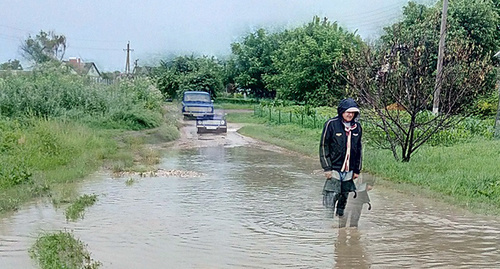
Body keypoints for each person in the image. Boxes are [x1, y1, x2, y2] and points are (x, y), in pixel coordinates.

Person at [319, 98, 362, 217]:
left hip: (349, 169)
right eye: (348, 112)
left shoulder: (357, 127)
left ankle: (340, 220)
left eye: (353, 112)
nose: (350, 115)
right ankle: (327, 222)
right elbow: (324, 146)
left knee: (344, 195)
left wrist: (357, 170)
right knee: (332, 194)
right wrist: (327, 168)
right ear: (341, 111)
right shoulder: (331, 124)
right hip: (334, 167)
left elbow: (358, 149)